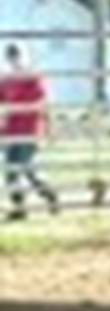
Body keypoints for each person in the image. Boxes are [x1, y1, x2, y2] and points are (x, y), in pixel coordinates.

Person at [1, 43, 59, 220]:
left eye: (17, 56)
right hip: (11, 131)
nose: (14, 60)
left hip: (29, 130)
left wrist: (49, 128)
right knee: (19, 171)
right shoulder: (6, 80)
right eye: (11, 56)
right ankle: (28, 204)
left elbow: (43, 103)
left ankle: (39, 199)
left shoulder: (33, 78)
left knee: (20, 168)